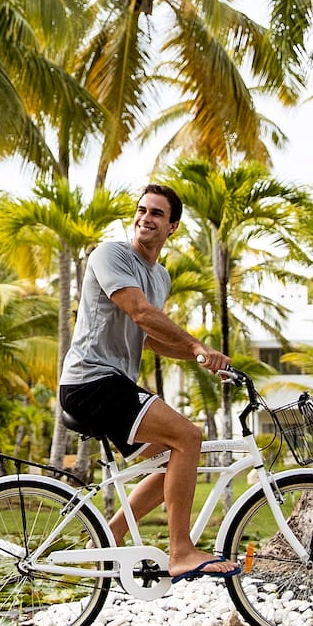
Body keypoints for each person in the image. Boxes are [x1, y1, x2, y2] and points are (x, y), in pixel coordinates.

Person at [59, 182, 240, 581]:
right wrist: (194, 342)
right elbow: (139, 313)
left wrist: (201, 356)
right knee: (188, 437)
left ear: (173, 226)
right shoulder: (112, 254)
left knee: (176, 460)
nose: (146, 218)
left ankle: (107, 536)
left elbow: (151, 338)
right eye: (142, 210)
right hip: (91, 382)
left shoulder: (161, 278)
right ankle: (181, 552)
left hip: (113, 386)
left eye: (157, 213)